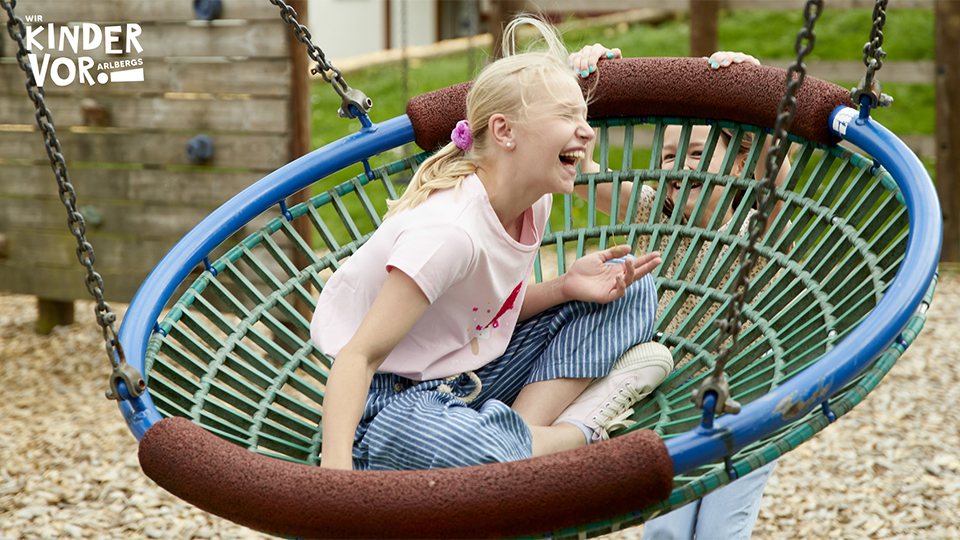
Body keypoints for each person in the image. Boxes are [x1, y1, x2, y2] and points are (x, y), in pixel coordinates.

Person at [310, 16, 674, 472]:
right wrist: (335, 478)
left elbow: (479, 316)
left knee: (632, 291)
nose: (586, 131)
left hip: (472, 373)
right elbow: (358, 357)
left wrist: (565, 288)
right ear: (504, 132)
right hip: (391, 402)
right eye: (566, 115)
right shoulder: (448, 232)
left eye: (584, 116)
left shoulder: (534, 197)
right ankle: (573, 432)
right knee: (464, 449)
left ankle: (514, 439)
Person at [570, 46, 786, 540]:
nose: (683, 166)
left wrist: (752, 89)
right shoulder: (652, 211)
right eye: (670, 156)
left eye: (697, 152)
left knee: (719, 530)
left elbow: (774, 162)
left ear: (736, 165)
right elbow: (579, 169)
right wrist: (581, 88)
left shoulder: (758, 224)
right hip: (673, 398)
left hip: (746, 396)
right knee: (665, 531)